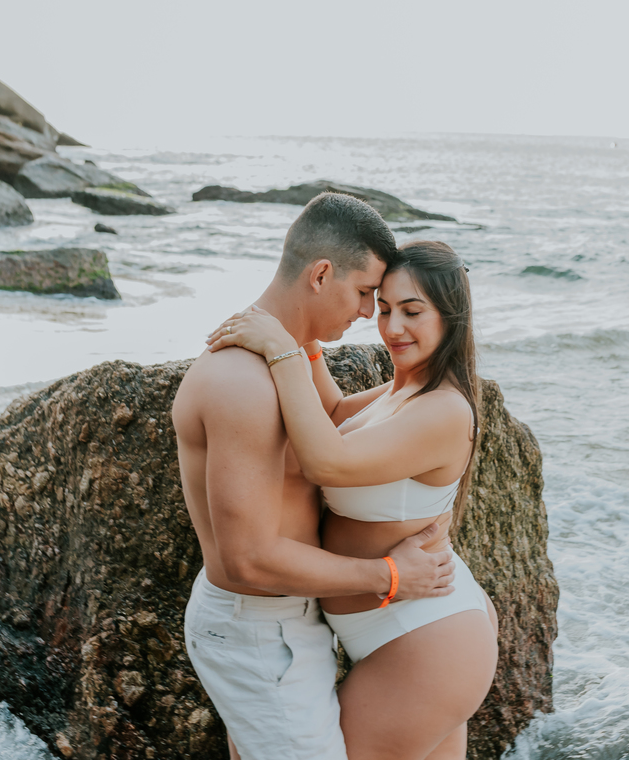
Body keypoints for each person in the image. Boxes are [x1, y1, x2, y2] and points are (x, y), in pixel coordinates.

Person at [172, 195, 458, 760]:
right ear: (321, 275)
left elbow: (330, 422)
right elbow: (246, 559)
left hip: (287, 622)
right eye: (365, 294)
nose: (369, 314)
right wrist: (389, 576)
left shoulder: (287, 357)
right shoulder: (242, 384)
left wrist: (432, 378)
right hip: (258, 630)